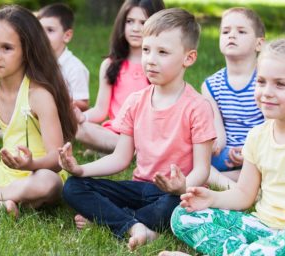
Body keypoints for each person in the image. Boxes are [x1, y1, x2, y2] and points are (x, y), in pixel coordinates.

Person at [59, 8, 216, 251]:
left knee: (170, 207)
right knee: (73, 186)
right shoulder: (135, 101)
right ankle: (135, 226)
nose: (150, 59)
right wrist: (80, 168)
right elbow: (121, 158)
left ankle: (111, 220)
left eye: (162, 52)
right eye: (146, 50)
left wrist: (181, 187)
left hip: (175, 195)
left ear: (189, 58)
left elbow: (202, 170)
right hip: (139, 187)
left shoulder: (198, 107)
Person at [160, 38, 285, 256]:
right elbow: (243, 194)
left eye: (280, 84)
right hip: (259, 227)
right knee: (182, 216)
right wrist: (211, 198)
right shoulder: (257, 135)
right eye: (261, 82)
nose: (267, 91)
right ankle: (249, 252)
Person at [0, 5, 77, 218]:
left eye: (6, 48)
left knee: (47, 183)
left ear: (27, 51)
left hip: (40, 173)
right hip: (4, 173)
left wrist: (31, 164)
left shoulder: (38, 95)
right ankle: (2, 203)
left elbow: (57, 160)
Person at [74, 0, 165, 154]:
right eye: (130, 21)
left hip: (149, 133)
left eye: (143, 22)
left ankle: (118, 150)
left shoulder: (159, 65)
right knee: (79, 130)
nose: (135, 28)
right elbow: (100, 110)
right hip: (116, 132)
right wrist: (79, 117)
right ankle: (124, 150)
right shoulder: (110, 65)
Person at [202, 7, 265, 189]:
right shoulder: (211, 85)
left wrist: (249, 152)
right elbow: (219, 131)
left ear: (258, 44)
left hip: (260, 150)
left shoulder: (264, 79)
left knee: (278, 161)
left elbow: (272, 127)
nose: (232, 35)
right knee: (194, 160)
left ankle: (227, 181)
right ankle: (237, 185)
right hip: (228, 154)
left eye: (241, 31)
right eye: (226, 31)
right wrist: (215, 147)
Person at [37, 3, 90, 111]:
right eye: (40, 30)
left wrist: (59, 100)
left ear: (67, 36)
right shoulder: (36, 62)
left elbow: (84, 104)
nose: (42, 35)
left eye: (50, 30)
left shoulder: (75, 68)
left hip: (64, 122)